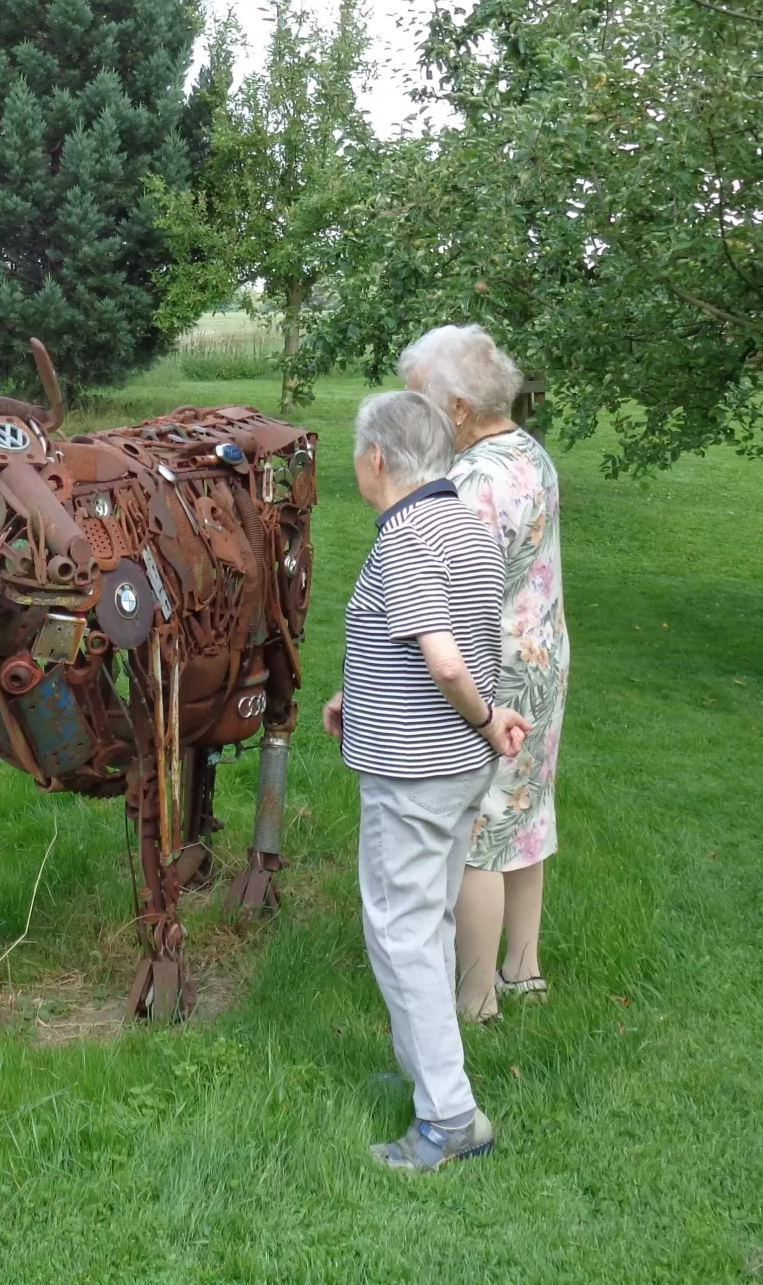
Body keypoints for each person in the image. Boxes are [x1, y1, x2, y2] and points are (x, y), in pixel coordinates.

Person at [323, 388, 528, 1173]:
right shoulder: (464, 526)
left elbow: (445, 659)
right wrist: (358, 690)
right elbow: (440, 636)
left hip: (418, 772)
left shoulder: (405, 535)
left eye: (357, 453)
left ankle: (448, 1118)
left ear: (377, 458)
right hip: (453, 769)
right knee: (430, 921)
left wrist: (483, 717)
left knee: (401, 931)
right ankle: (424, 1071)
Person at [400, 323, 570, 1023]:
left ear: (460, 408)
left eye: (421, 401)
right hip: (542, 660)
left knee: (477, 837)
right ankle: (523, 971)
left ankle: (473, 1003)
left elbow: (448, 602)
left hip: (490, 676)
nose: (413, 416)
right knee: (524, 816)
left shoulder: (468, 483)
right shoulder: (530, 452)